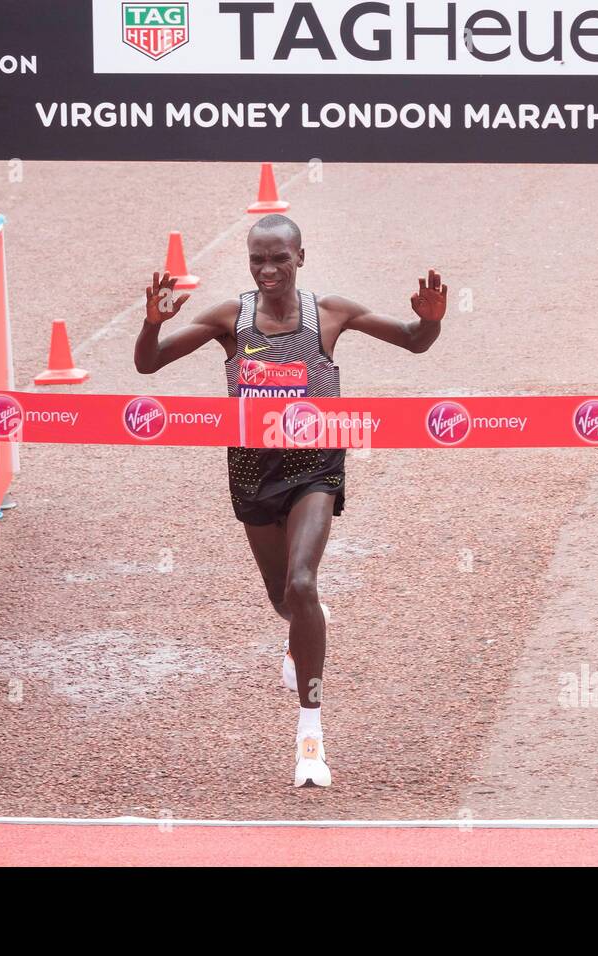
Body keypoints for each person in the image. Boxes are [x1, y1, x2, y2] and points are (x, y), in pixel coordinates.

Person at [135, 214, 446, 787]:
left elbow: (411, 340)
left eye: (279, 258)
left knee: (304, 582)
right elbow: (148, 364)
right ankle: (305, 623)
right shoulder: (229, 318)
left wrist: (430, 322)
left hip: (315, 465)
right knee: (284, 600)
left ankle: (310, 736)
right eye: (258, 260)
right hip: (252, 468)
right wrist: (150, 325)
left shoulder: (330, 313)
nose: (268, 270)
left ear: (301, 256)